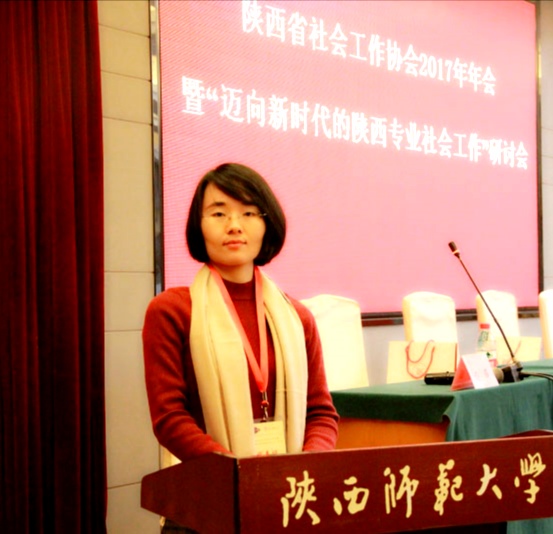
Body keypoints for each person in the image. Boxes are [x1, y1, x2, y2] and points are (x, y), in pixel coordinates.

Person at [142, 163, 339, 531]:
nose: (234, 225)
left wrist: (303, 468)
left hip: (288, 501)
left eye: (249, 213)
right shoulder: (172, 311)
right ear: (199, 225)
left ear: (267, 224)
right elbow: (170, 418)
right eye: (219, 213)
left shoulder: (297, 317)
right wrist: (239, 473)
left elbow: (321, 413)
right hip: (208, 506)